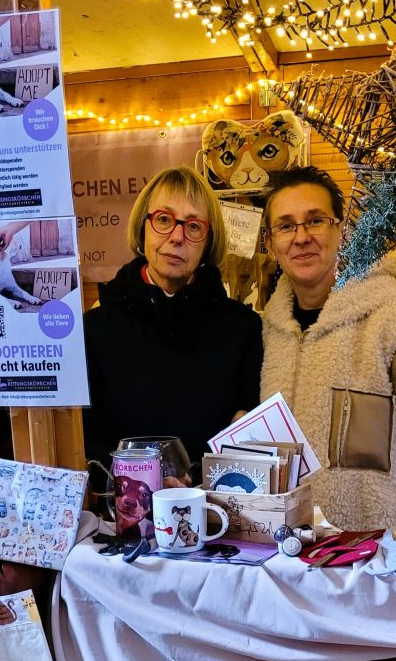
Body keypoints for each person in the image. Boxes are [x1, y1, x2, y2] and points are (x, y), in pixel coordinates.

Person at [259, 165, 396, 529]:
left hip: (371, 558)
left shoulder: (392, 319)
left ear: (341, 230)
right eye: (286, 225)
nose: (301, 237)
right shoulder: (267, 330)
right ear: (269, 243)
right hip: (282, 553)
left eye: (315, 221)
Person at [83, 165, 262, 485]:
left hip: (219, 512)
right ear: (143, 227)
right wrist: (138, 480)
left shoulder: (244, 329)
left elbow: (250, 431)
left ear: (208, 241)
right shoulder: (94, 331)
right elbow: (86, 438)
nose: (177, 237)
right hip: (122, 516)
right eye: (164, 219)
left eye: (193, 226)